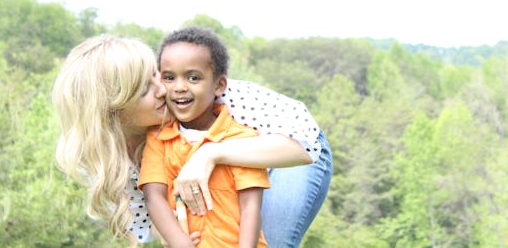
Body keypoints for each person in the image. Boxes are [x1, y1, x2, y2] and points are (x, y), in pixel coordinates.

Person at [52, 33, 332, 247]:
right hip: (219, 189)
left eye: (156, 75)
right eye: (145, 90)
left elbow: (304, 147)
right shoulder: (106, 161)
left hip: (288, 155)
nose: (165, 89)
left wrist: (210, 154)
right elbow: (149, 225)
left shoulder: (212, 97)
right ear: (114, 111)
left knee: (269, 238)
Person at [141, 27, 269, 247]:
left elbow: (251, 207)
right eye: (169, 77)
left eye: (193, 77)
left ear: (219, 85)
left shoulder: (242, 139)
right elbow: (155, 198)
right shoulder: (158, 138)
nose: (179, 87)